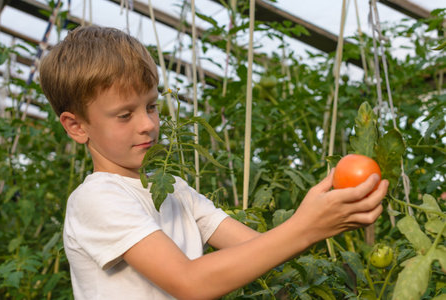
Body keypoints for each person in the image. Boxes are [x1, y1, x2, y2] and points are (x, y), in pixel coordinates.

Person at [39, 25, 389, 300]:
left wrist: (329, 211)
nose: (147, 123)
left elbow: (256, 248)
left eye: (151, 106)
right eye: (124, 115)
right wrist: (307, 227)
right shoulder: (97, 199)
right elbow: (190, 283)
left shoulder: (173, 189)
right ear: (77, 126)